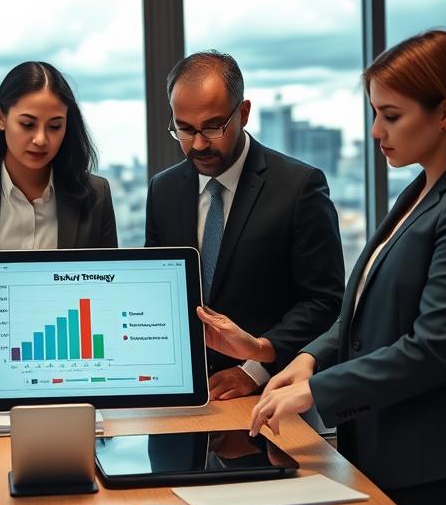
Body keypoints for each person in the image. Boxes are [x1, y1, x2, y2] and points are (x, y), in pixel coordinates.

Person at [197, 30, 446, 505]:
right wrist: (308, 359)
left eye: (391, 115)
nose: (376, 131)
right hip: (389, 449)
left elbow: (432, 350)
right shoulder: (425, 188)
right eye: (375, 113)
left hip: (437, 467)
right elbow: (361, 310)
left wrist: (317, 392)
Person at [145, 50, 344, 401]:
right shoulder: (163, 189)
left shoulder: (299, 187)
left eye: (213, 126)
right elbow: (159, 292)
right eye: (185, 130)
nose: (199, 143)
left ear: (244, 113)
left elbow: (323, 302)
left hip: (269, 394)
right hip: (179, 393)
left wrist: (255, 368)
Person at [0, 61, 118, 404]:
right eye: (27, 124)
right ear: (0, 117)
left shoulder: (94, 196)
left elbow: (105, 288)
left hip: (74, 380)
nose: (41, 139)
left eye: (55, 126)